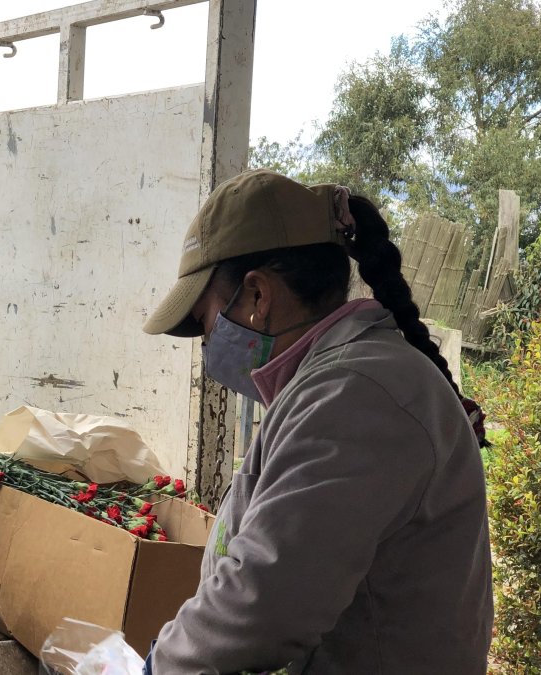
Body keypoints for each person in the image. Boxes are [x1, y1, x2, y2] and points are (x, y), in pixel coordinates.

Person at [140, 169, 493, 673]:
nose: (207, 344)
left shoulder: (355, 396)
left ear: (258, 296)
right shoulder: (333, 384)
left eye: (205, 321)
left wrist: (160, 664)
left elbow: (265, 601)